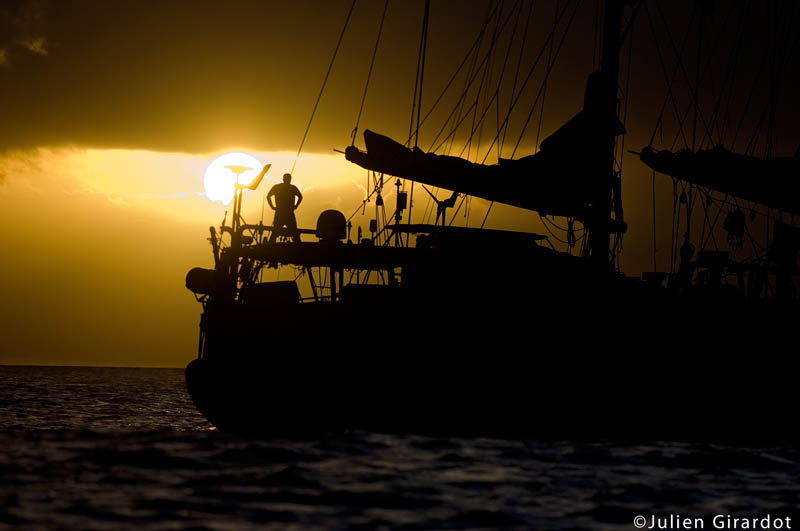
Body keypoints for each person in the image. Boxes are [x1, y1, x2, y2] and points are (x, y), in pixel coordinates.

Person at [267, 173, 303, 242]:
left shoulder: (278, 187)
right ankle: (298, 248)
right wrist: (295, 206)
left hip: (282, 213)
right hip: (287, 213)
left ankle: (269, 246)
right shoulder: (292, 188)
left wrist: (272, 207)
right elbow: (300, 197)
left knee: (275, 232)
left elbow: (268, 196)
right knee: (294, 233)